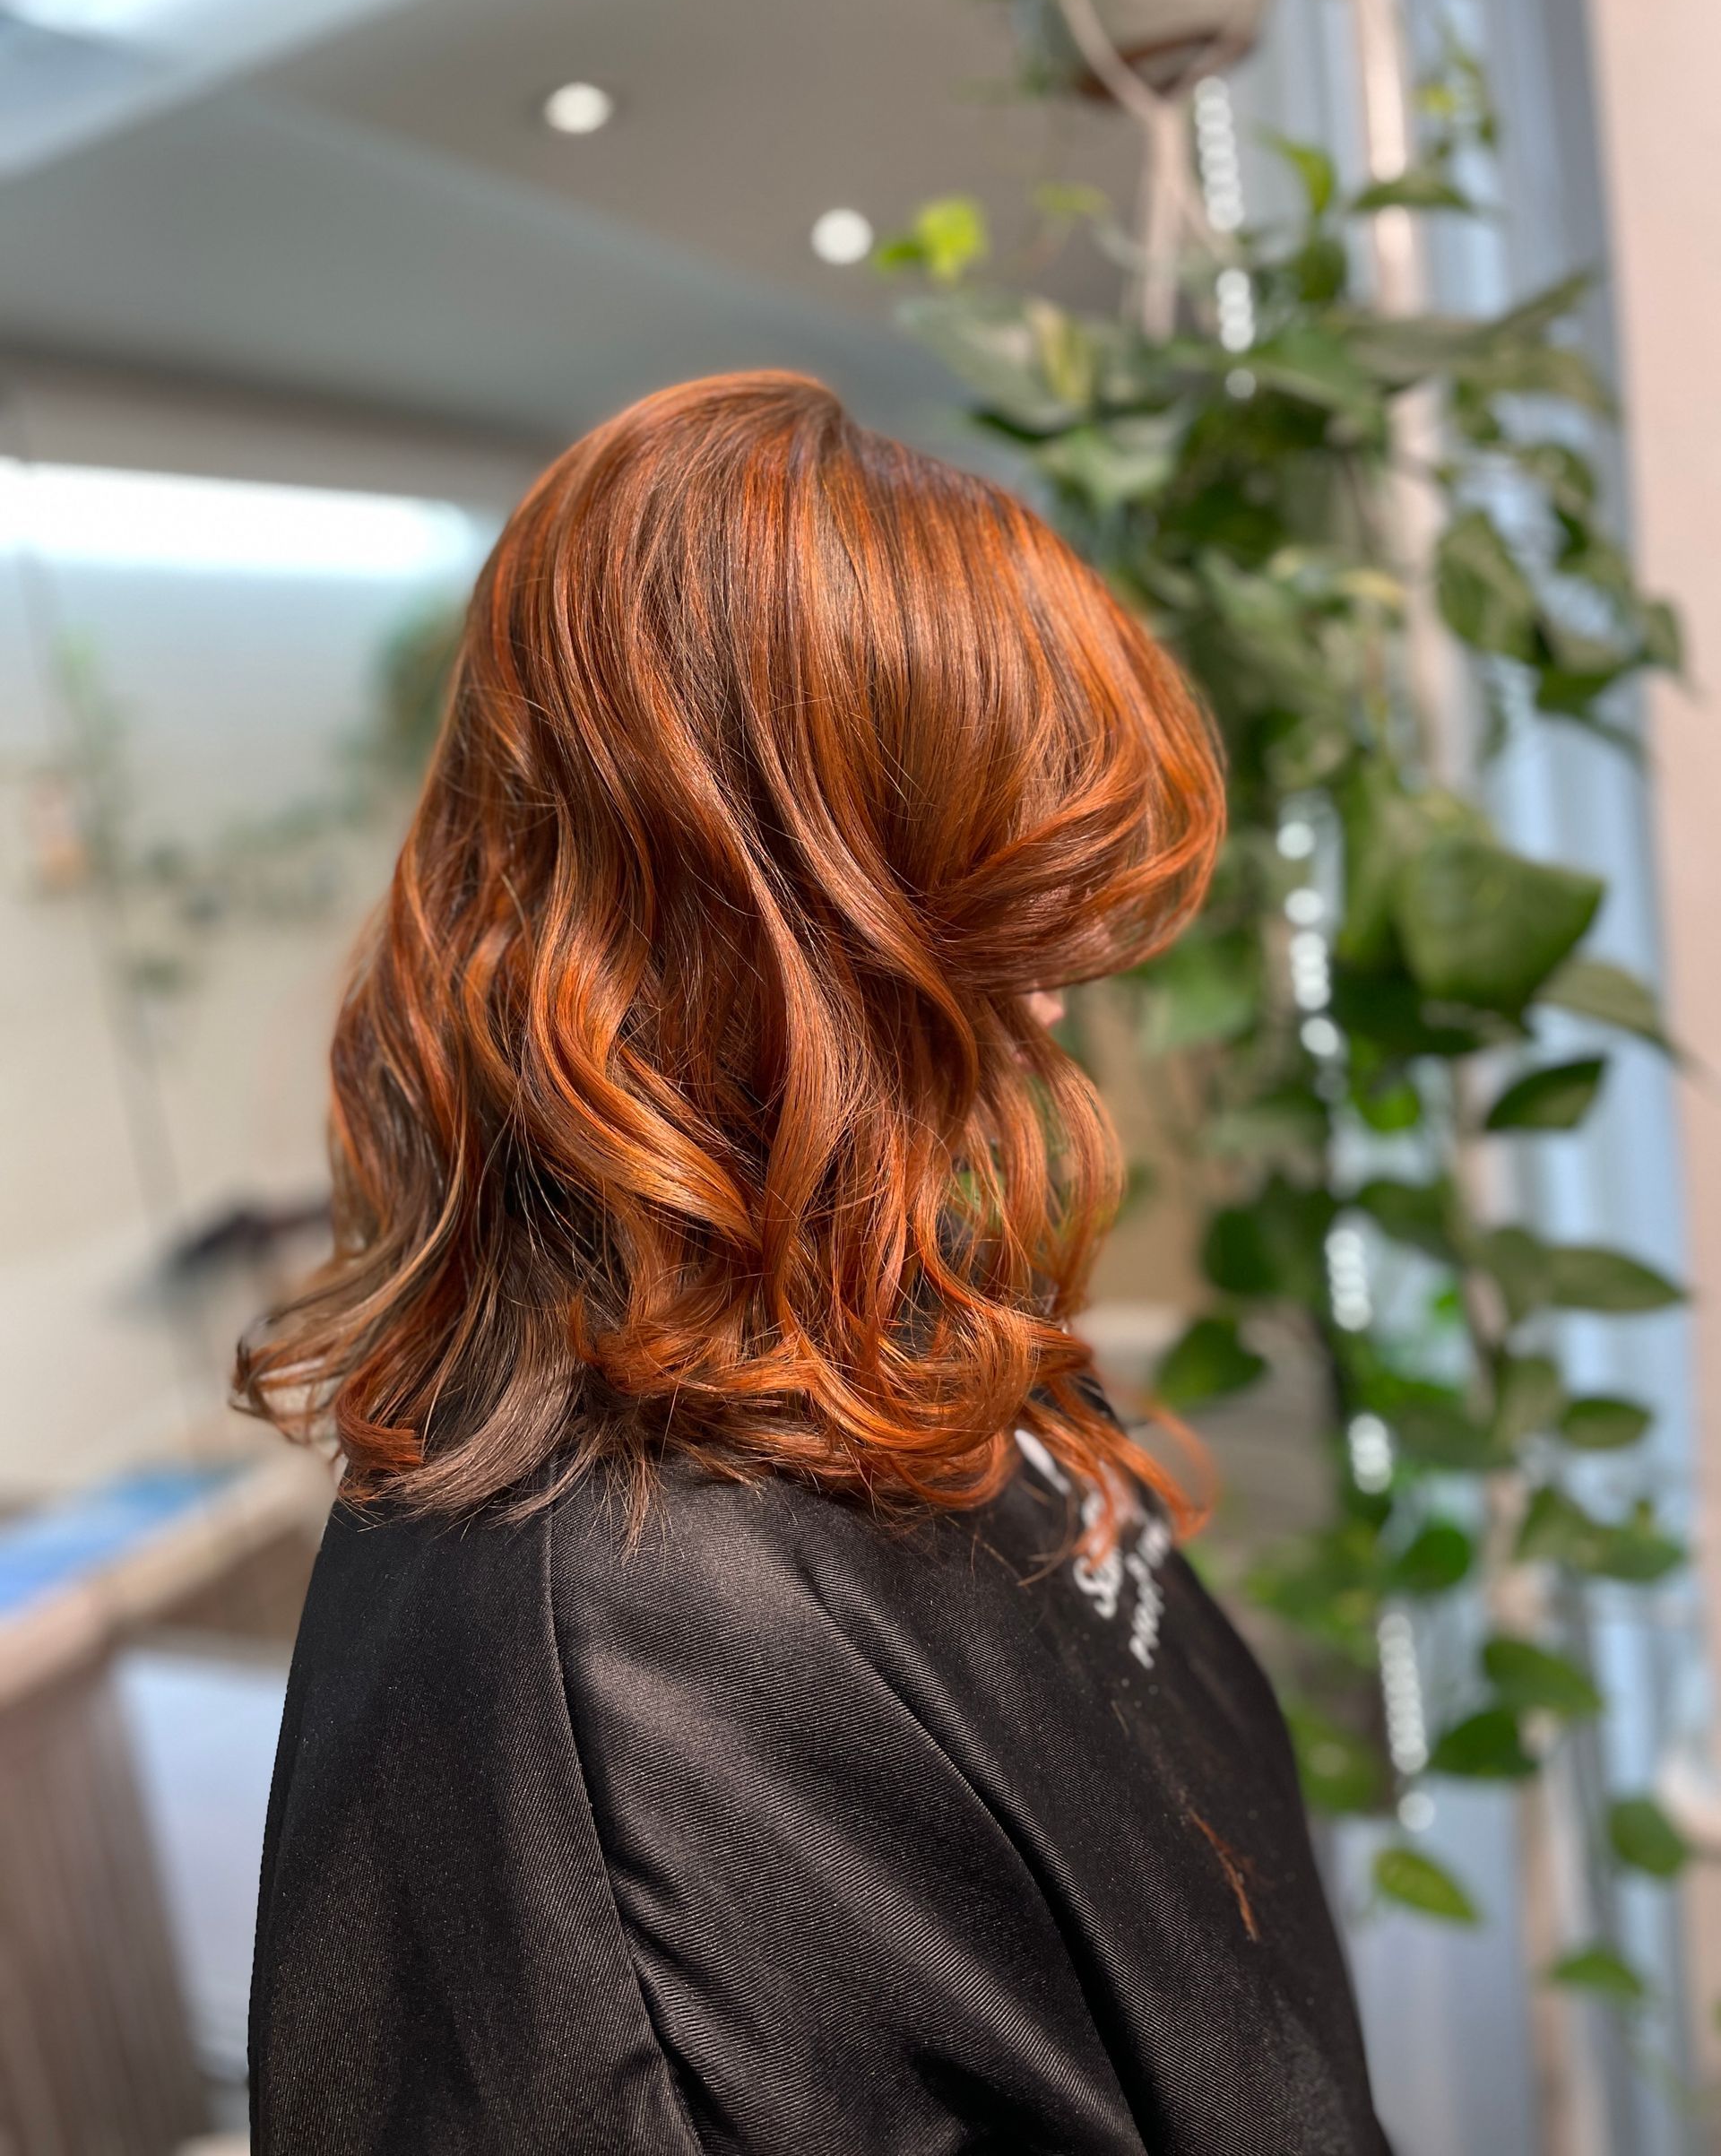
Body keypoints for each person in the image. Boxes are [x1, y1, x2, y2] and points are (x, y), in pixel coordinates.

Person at [239, 371, 1388, 2154]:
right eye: (986, 903)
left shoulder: (884, 1337)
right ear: (765, 927)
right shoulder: (638, 1666)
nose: (1054, 1000)